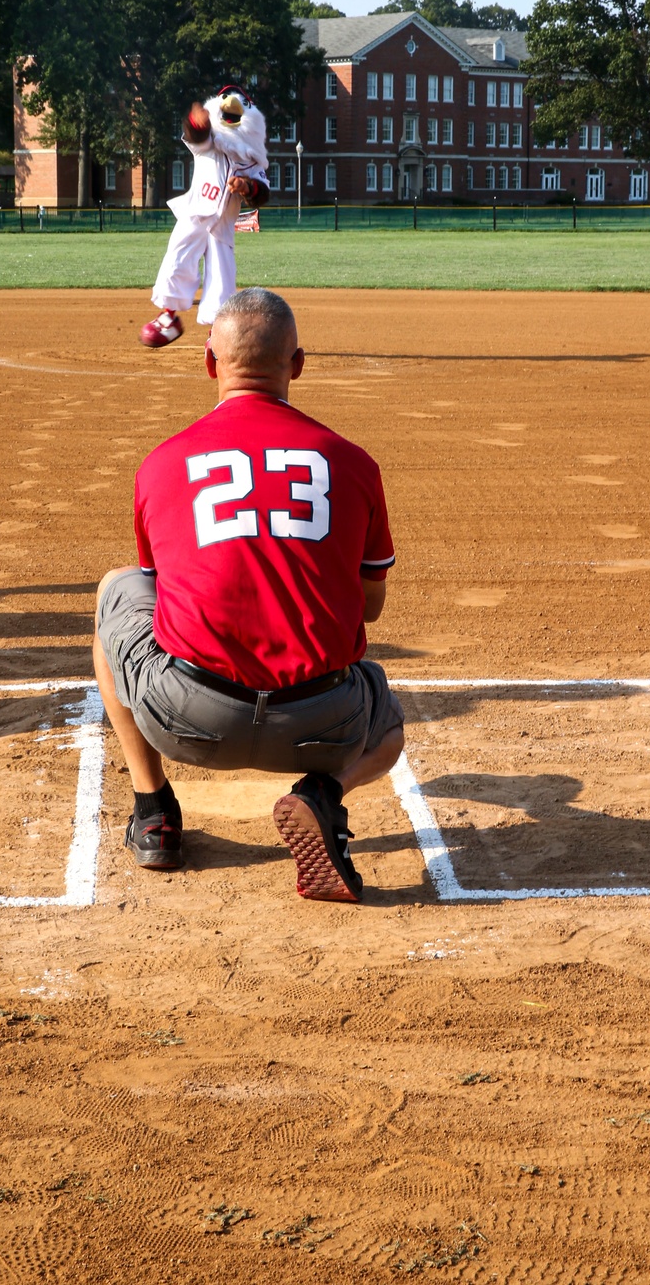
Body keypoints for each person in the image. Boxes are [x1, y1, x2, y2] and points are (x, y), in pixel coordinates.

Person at [95, 288, 404, 902]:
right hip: (324, 726)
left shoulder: (162, 463)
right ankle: (323, 794)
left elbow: (163, 590)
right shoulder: (352, 461)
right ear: (298, 364)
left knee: (118, 589)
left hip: (189, 720)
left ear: (210, 362)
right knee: (388, 722)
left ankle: (153, 814)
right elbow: (370, 607)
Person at [139, 86, 270, 349]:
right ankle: (169, 317)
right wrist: (195, 123)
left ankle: (217, 333)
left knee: (222, 276)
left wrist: (246, 187)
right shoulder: (211, 142)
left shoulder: (252, 161)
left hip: (222, 225)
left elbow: (262, 192)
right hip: (196, 213)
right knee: (177, 259)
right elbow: (195, 137)